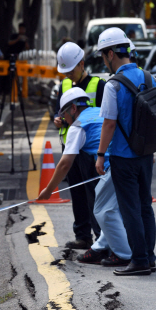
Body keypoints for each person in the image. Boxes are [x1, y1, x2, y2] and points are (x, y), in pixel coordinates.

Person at [38, 87, 131, 267]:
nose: (64, 119)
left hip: (113, 166)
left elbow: (65, 164)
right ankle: (100, 247)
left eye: (64, 113)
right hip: (127, 162)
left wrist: (49, 190)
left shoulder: (78, 125)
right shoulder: (99, 112)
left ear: (73, 109)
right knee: (111, 208)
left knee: (103, 211)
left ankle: (123, 254)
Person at [95, 27, 156, 276]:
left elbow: (109, 123)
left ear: (111, 54)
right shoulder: (150, 78)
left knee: (129, 208)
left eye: (103, 55)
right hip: (146, 155)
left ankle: (139, 260)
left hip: (123, 157)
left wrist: (101, 155)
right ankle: (150, 257)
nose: (104, 60)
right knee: (146, 205)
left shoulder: (113, 85)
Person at [54, 42, 106, 250]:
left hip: (90, 151)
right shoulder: (64, 86)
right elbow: (59, 113)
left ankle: (101, 236)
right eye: (64, 71)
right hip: (70, 146)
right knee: (76, 191)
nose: (67, 75)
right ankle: (83, 235)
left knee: (93, 192)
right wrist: (59, 120)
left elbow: (106, 117)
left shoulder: (98, 85)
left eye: (70, 70)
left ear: (82, 64)